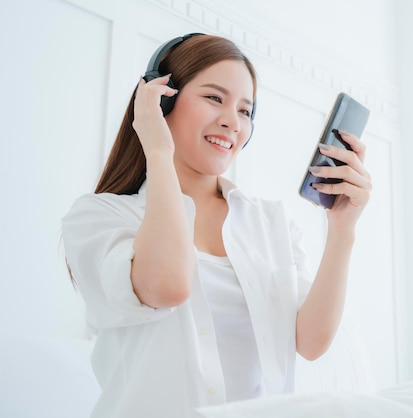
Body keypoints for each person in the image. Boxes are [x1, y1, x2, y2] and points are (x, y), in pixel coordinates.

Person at [61, 33, 371, 418]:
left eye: (245, 110)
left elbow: (310, 342)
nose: (232, 122)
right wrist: (157, 149)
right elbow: (166, 286)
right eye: (214, 98)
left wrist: (343, 229)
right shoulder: (99, 217)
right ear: (162, 101)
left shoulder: (270, 222)